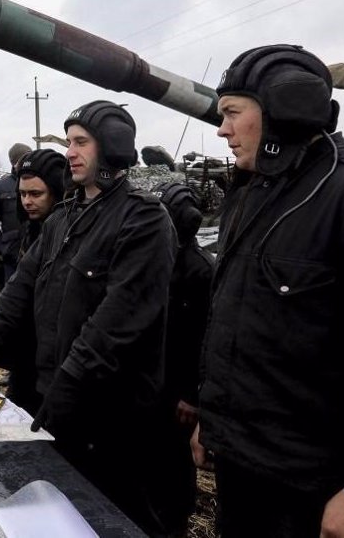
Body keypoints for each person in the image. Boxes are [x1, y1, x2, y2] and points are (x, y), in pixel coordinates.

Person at [193, 44, 344, 538]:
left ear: (285, 110)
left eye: (231, 113)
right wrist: (214, 418)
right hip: (246, 470)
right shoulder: (252, 192)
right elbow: (234, 318)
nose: (221, 129)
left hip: (321, 485)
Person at [0, 101, 180, 536]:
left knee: (115, 512)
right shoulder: (66, 216)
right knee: (61, 509)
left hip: (111, 408)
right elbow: (23, 284)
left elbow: (118, 319)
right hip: (59, 395)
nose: (70, 151)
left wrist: (69, 380)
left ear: (110, 146)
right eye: (69, 141)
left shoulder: (143, 218)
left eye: (80, 142)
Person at [152, 181, 214, 536]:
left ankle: (174, 521)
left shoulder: (201, 270)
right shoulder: (164, 259)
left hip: (181, 390)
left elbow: (206, 340)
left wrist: (193, 395)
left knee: (175, 463)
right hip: (158, 381)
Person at [0, 148, 69, 416]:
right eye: (23, 194)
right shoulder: (31, 230)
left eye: (36, 194)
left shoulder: (70, 234)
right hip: (25, 352)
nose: (27, 201)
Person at [0, 142, 31, 288]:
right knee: (13, 295)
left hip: (37, 250)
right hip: (12, 255)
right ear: (14, 163)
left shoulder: (40, 182)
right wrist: (0, 247)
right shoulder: (0, 187)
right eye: (23, 159)